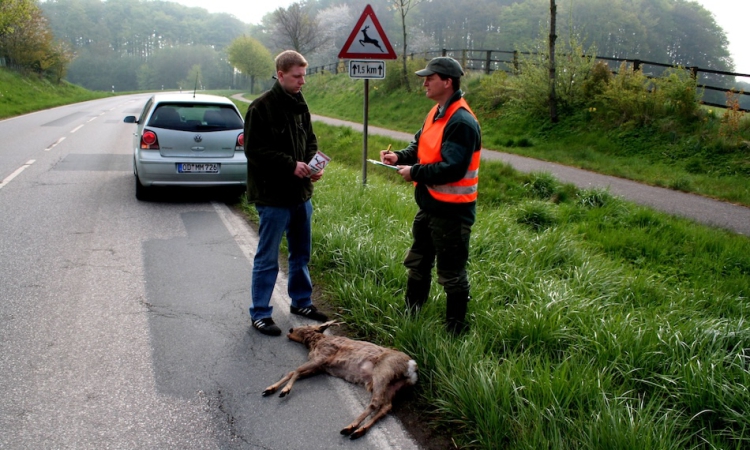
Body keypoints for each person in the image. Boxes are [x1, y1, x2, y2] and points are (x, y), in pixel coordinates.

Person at [380, 57, 482, 334]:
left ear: (447, 82)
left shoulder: (461, 120)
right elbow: (420, 145)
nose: (424, 82)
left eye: (430, 77)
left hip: (452, 213)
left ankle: (455, 332)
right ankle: (411, 316)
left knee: (452, 276)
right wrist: (398, 156)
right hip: (430, 207)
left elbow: (452, 169)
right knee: (418, 263)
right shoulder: (436, 112)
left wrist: (415, 172)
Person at [244, 50, 328, 336]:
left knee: (301, 253)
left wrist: (313, 164)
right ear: (280, 75)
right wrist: (291, 165)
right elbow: (255, 151)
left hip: (301, 194)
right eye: (297, 76)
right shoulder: (261, 108)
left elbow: (310, 140)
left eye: (304, 75)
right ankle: (260, 313)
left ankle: (301, 302)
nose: (302, 81)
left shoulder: (300, 104)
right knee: (267, 257)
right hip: (273, 197)